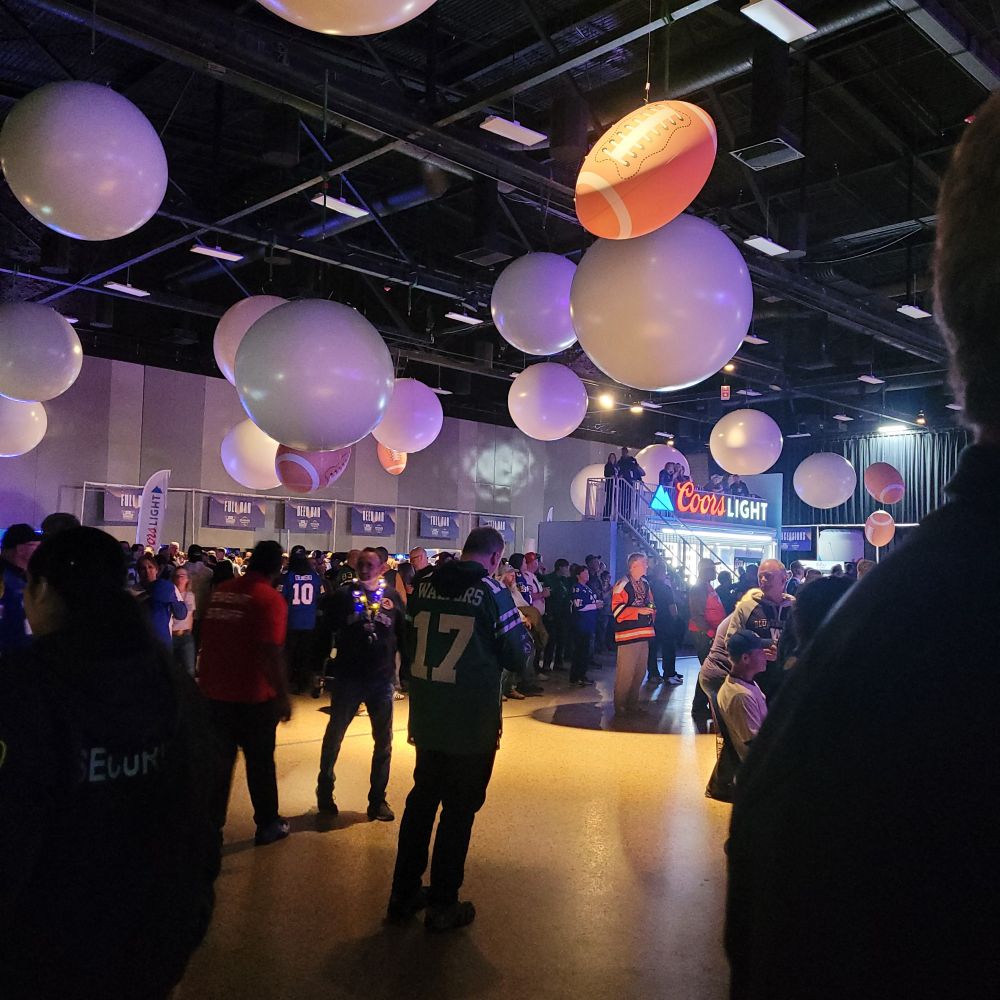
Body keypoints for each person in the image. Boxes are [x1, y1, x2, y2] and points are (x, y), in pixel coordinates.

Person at [0, 527, 219, 1000]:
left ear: (40, 590)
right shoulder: (170, 682)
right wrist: (192, 909)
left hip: (48, 953)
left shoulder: (23, 687)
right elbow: (203, 795)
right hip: (152, 934)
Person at [388, 527, 532, 931]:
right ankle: (443, 904)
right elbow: (518, 655)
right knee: (458, 810)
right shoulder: (492, 592)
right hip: (471, 721)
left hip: (428, 715)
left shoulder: (425, 584)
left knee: (421, 802)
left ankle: (402, 893)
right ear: (494, 556)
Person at [198, 540, 292, 846]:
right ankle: (268, 824)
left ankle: (209, 830)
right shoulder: (269, 599)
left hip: (214, 694)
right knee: (261, 764)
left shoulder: (222, 592)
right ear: (277, 566)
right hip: (253, 698)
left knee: (218, 767)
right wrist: (282, 696)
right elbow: (270, 652)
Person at [315, 548, 408, 822]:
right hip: (348, 678)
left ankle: (377, 800)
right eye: (362, 564)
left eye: (371, 565)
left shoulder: (391, 598)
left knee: (384, 742)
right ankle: (324, 790)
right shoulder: (343, 596)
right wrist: (317, 667)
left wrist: (406, 674)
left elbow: (403, 636)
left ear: (382, 568)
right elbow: (324, 632)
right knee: (334, 737)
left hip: (380, 680)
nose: (365, 569)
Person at [723, 559, 792, 702]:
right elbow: (730, 642)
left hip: (787, 683)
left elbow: (805, 645)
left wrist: (783, 654)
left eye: (768, 576)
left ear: (784, 579)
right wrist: (758, 652)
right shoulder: (746, 607)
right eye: (760, 576)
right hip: (754, 684)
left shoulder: (796, 608)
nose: (763, 580)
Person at [611, 552, 656, 715]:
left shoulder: (645, 583)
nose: (647, 566)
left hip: (644, 634)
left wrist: (651, 609)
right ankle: (620, 705)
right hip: (628, 636)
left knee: (640, 672)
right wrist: (639, 611)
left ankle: (632, 703)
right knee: (626, 673)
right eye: (644, 563)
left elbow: (650, 601)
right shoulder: (622, 584)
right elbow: (617, 611)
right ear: (634, 565)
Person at [716, 629, 769, 763]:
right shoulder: (741, 696)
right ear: (745, 658)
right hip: (759, 767)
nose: (766, 655)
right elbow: (755, 746)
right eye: (761, 652)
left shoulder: (743, 682)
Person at [280, 545, 323, 695]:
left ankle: (290, 683)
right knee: (306, 654)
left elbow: (281, 597)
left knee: (290, 654)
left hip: (291, 621)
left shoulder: (288, 576)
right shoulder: (314, 576)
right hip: (309, 621)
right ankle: (303, 683)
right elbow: (320, 595)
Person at [688, 557, 725, 714]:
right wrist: (711, 633)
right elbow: (697, 615)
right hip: (703, 635)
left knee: (707, 668)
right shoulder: (699, 589)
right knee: (708, 668)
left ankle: (701, 704)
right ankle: (699, 705)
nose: (715, 571)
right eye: (712, 568)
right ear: (705, 570)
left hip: (708, 634)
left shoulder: (707, 587)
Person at [0, 523, 41, 659]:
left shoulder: (26, 576)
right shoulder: (7, 577)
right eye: (34, 547)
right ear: (20, 549)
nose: (37, 553)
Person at [134, 554, 188, 647]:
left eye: (150, 567)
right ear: (138, 572)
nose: (147, 571)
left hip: (162, 644)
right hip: (139, 644)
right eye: (143, 568)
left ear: (157, 570)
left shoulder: (169, 588)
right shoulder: (132, 591)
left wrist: (171, 599)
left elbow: (181, 614)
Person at [646, 561, 681, 684]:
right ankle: (669, 673)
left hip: (651, 621)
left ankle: (653, 674)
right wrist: (676, 618)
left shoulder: (648, 586)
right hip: (666, 622)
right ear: (662, 572)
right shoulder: (666, 588)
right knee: (669, 648)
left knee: (652, 649)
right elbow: (672, 606)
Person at [569, 563, 599, 686]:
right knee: (580, 651)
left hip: (589, 624)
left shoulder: (587, 587)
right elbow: (579, 606)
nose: (587, 575)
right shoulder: (577, 588)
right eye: (584, 573)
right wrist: (594, 606)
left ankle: (582, 674)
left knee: (585, 651)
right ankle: (577, 676)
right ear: (578, 575)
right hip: (581, 624)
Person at [542, 558, 573, 672]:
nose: (567, 570)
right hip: (553, 613)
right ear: (560, 567)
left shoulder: (565, 580)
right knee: (552, 640)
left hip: (563, 614)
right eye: (566, 567)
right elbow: (549, 596)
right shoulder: (549, 579)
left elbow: (567, 594)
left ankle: (558, 663)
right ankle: (546, 663)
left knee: (562, 639)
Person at [184, 544, 214, 644]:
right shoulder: (209, 573)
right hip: (202, 611)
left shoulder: (181, 571)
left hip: (183, 612)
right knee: (196, 642)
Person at [170, 566, 197, 677]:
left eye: (183, 576)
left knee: (189, 670)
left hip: (185, 635)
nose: (180, 578)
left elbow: (191, 616)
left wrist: (189, 631)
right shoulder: (169, 595)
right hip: (171, 635)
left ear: (187, 579)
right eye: (177, 576)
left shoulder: (190, 596)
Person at [603, 452, 618, 519]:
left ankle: (612, 515)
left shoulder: (615, 466)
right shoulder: (608, 465)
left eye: (613, 457)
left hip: (614, 486)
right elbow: (606, 474)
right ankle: (606, 515)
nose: (612, 459)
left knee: (613, 501)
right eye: (611, 457)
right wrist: (612, 476)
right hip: (610, 485)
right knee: (609, 501)